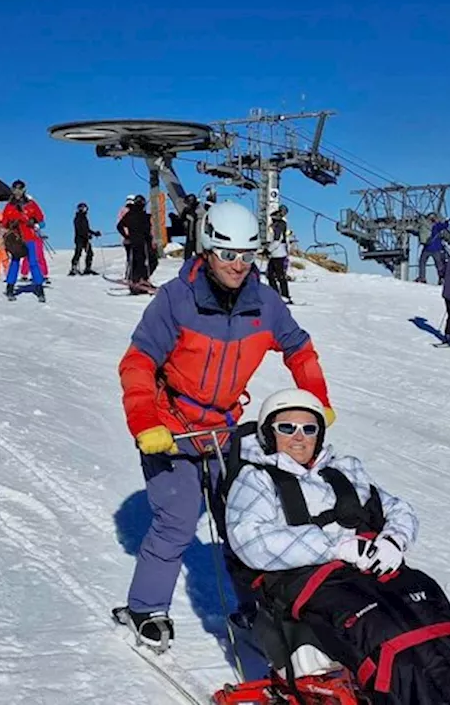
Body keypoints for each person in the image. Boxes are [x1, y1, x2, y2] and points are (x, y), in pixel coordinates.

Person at [116, 200, 334, 649]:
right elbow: (137, 363)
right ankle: (145, 608)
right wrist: (145, 424)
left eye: (247, 255)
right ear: (207, 249)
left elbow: (300, 349)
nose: (238, 265)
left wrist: (316, 402)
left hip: (222, 428)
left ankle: (255, 607)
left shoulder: (265, 304)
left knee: (242, 519)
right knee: (176, 520)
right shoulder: (175, 301)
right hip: (169, 426)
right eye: (227, 254)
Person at [223, 388, 450, 705]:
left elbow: (398, 509)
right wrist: (336, 547)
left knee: (430, 614)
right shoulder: (257, 480)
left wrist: (393, 539)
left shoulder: (343, 470)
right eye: (287, 427)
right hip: (313, 580)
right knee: (384, 631)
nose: (299, 437)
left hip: (369, 571)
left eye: (309, 428)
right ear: (269, 434)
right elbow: (249, 539)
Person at [0, 180, 46, 302]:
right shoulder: (9, 206)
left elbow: (42, 222)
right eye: (15, 189)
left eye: (20, 189)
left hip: (30, 238)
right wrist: (9, 226)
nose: (17, 191)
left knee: (33, 263)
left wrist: (35, 225)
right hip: (16, 239)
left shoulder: (31, 204)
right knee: (14, 262)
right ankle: (10, 287)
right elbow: (4, 224)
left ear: (24, 190)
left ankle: (39, 288)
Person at [117, 195, 154, 292]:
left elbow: (119, 226)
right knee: (148, 261)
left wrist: (127, 236)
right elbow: (147, 230)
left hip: (133, 242)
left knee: (136, 262)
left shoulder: (129, 214)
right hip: (143, 242)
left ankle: (137, 280)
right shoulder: (143, 216)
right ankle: (140, 280)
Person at [265, 204, 293, 303]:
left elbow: (277, 240)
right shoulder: (280, 224)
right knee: (274, 275)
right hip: (277, 253)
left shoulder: (278, 225)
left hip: (278, 253)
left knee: (276, 275)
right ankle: (280, 295)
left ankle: (282, 295)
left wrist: (268, 249)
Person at [415, 218, 450, 284]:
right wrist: (447, 221)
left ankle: (422, 277)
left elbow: (417, 233)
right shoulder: (436, 226)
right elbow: (445, 226)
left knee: (422, 262)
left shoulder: (424, 226)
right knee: (439, 265)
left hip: (426, 248)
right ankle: (441, 278)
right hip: (436, 249)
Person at [69, 202, 100, 275]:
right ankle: (74, 268)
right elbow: (80, 230)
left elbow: (86, 229)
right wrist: (87, 235)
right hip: (79, 239)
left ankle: (88, 268)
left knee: (90, 253)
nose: (84, 210)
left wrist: (94, 233)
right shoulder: (78, 218)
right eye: (82, 208)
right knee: (78, 252)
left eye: (85, 208)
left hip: (85, 239)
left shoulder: (84, 218)